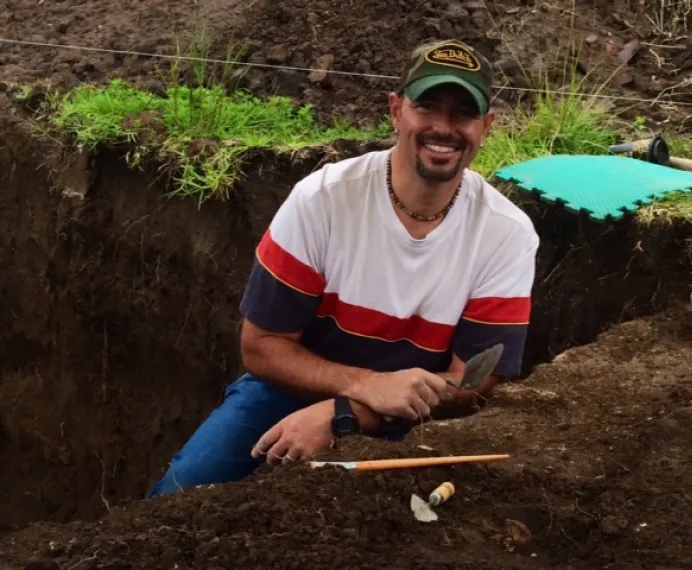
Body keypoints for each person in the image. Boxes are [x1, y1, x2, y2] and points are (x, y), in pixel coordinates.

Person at [148, 39, 539, 497]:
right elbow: (262, 347)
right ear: (396, 111)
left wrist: (345, 414)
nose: (443, 127)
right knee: (178, 499)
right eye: (427, 106)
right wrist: (365, 386)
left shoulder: (506, 235)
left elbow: (472, 383)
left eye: (463, 115)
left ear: (486, 127)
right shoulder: (323, 201)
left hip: (411, 416)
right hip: (287, 392)